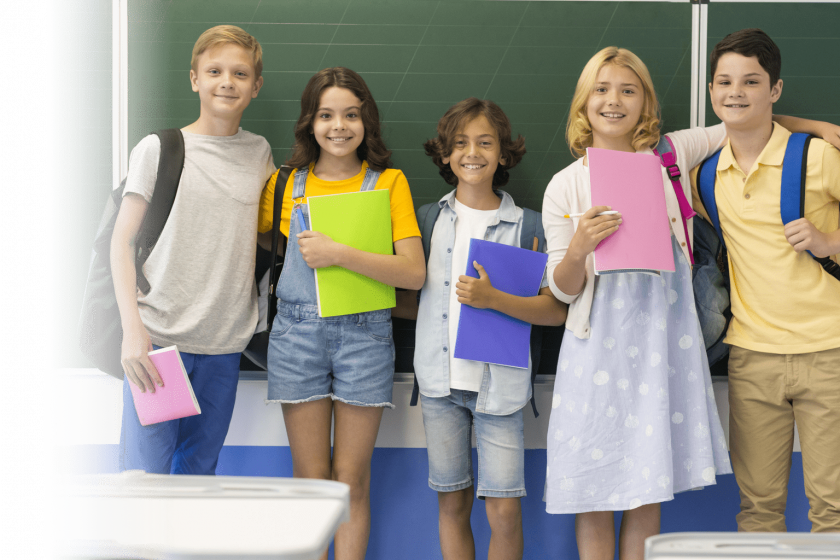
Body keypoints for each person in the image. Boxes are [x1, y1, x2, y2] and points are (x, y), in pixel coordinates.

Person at [541, 47, 733, 560]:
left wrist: (818, 126)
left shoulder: (670, 156)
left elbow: (741, 117)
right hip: (595, 349)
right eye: (601, 90)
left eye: (629, 90)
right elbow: (562, 290)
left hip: (660, 345)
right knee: (595, 489)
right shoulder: (566, 184)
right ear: (583, 103)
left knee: (648, 486)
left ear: (646, 101)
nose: (614, 101)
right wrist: (580, 246)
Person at [257, 67, 425, 560]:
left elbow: (413, 273)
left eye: (351, 115)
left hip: (366, 337)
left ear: (366, 121)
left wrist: (338, 254)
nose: (339, 126)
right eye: (326, 115)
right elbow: (264, 244)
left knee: (351, 480)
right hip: (296, 335)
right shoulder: (284, 185)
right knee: (311, 481)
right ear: (310, 122)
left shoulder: (388, 183)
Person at [690, 28, 840, 533]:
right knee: (757, 513)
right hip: (752, 357)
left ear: (774, 90)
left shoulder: (817, 157)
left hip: (830, 352)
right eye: (725, 82)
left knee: (834, 512)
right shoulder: (704, 176)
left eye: (751, 82)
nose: (736, 92)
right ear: (711, 92)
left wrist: (829, 241)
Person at [111, 25, 275, 474]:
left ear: (256, 86)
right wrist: (132, 330)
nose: (228, 81)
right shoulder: (158, 148)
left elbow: (258, 232)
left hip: (224, 345)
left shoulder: (259, 153)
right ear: (194, 79)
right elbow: (121, 241)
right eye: (215, 70)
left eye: (240, 73)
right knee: (147, 477)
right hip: (160, 341)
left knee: (198, 476)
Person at [412, 98, 567, 560]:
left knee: (503, 512)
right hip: (439, 387)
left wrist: (493, 299)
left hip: (499, 389)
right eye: (460, 143)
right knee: (452, 502)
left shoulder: (529, 226)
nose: (472, 152)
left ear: (503, 153)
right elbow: (411, 294)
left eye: (485, 142)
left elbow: (555, 311)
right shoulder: (428, 221)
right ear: (444, 154)